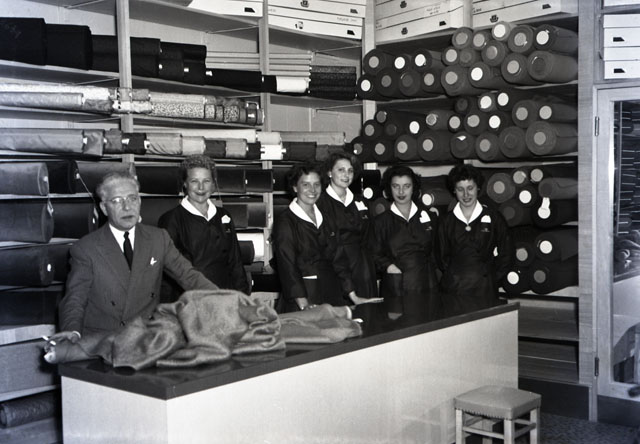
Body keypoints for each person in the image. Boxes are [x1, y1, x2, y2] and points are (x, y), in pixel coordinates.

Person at [53, 172, 218, 343]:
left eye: (132, 198)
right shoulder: (86, 248)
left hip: (144, 339)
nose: (127, 207)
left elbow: (189, 276)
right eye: (117, 201)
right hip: (104, 341)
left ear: (139, 201)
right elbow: (75, 298)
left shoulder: (158, 238)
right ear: (104, 208)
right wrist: (71, 330)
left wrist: (225, 299)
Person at [271, 163, 362, 312]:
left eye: (316, 184)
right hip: (302, 298)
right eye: (305, 185)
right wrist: (303, 303)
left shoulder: (326, 217)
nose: (312, 190)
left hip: (331, 294)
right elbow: (287, 266)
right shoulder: (286, 221)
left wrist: (353, 296)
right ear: (295, 187)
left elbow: (339, 259)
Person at [158, 155, 250, 298]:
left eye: (206, 181)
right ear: (185, 184)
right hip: (191, 299)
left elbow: (235, 262)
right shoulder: (171, 220)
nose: (201, 187)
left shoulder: (223, 215)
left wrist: (243, 298)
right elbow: (168, 271)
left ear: (213, 184)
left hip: (225, 296)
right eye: (194, 181)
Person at [435, 164, 513, 315]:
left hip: (485, 288)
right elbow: (441, 258)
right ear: (454, 190)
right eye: (460, 189)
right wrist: (455, 273)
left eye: (470, 188)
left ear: (478, 188)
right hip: (454, 288)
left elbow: (507, 253)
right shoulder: (445, 221)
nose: (466, 194)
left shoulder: (494, 217)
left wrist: (490, 277)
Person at [369, 165, 440, 322]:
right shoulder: (381, 222)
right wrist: (389, 266)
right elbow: (374, 254)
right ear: (389, 188)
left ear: (414, 188)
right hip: (396, 286)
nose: (401, 192)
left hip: (426, 283)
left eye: (406, 186)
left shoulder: (429, 217)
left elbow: (437, 251)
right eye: (396, 186)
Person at [316, 152, 378, 300]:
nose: (346, 175)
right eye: (341, 170)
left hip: (362, 267)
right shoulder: (320, 203)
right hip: (334, 267)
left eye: (350, 171)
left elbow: (370, 237)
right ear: (329, 172)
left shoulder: (361, 202)